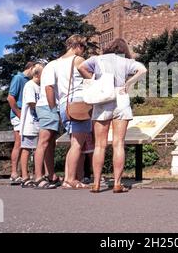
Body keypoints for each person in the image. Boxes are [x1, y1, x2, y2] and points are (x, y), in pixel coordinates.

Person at [79, 38, 147, 193]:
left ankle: (96, 183)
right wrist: (129, 83)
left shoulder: (96, 59)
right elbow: (143, 70)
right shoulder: (125, 61)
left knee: (99, 145)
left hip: (103, 98)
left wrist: (94, 81)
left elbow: (81, 67)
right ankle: (117, 183)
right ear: (124, 49)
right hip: (121, 97)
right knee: (118, 144)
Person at [55, 34, 92, 189]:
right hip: (78, 103)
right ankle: (71, 179)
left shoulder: (56, 63)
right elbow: (91, 78)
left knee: (73, 143)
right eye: (83, 47)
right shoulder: (78, 60)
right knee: (77, 144)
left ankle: (66, 179)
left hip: (64, 105)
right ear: (77, 45)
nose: (83, 51)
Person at [33, 59, 61, 189]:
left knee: (50, 144)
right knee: (43, 142)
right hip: (48, 107)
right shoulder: (53, 66)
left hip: (48, 107)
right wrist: (53, 108)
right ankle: (38, 177)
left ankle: (51, 175)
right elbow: (49, 87)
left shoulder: (52, 67)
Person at [7, 61, 36, 184]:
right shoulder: (18, 78)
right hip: (18, 115)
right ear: (30, 68)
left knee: (27, 145)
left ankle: (26, 173)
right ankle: (14, 173)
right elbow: (10, 98)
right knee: (19, 143)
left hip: (27, 116)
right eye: (34, 70)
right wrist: (19, 114)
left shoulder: (30, 82)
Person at [18, 63, 44, 188]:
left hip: (39, 123)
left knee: (37, 150)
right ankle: (24, 176)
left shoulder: (40, 87)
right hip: (30, 123)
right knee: (27, 149)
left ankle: (37, 174)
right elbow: (31, 103)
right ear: (37, 74)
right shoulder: (30, 86)